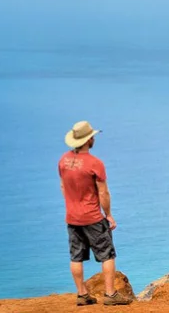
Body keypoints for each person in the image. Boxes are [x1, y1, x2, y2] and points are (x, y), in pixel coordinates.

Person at [58, 121, 132, 306]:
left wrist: (71, 206)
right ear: (88, 139)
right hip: (92, 217)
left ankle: (82, 294)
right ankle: (110, 294)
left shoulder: (63, 161)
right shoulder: (94, 163)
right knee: (107, 254)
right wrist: (108, 215)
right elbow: (103, 193)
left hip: (72, 217)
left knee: (76, 256)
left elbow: (63, 187)